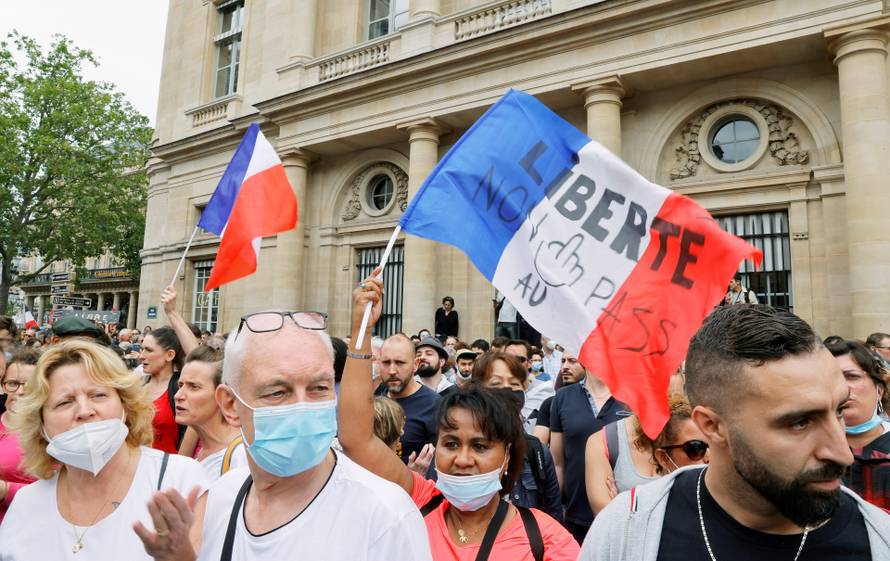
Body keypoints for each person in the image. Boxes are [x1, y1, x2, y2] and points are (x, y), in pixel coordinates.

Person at [580, 304, 890, 561]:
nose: (842, 453)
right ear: (712, 426)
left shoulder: (879, 541)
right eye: (799, 423)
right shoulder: (628, 532)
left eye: (838, 411)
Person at [137, 310, 432, 560]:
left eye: (319, 388)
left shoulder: (385, 515)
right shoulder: (221, 499)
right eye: (278, 392)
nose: (303, 407)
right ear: (230, 405)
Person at [339, 275, 579, 561]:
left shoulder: (546, 540)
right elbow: (356, 437)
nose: (463, 459)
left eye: (480, 446)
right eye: (451, 444)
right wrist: (361, 329)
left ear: (507, 456)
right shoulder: (419, 501)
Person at [0, 340, 208, 560]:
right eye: (64, 402)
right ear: (41, 425)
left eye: (98, 395)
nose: (84, 410)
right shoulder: (27, 503)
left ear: (125, 405)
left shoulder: (178, 480)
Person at [471, 351, 563, 523]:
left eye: (514, 384)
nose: (508, 390)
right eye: (497, 383)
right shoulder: (463, 449)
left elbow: (554, 519)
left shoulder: (537, 452)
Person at [550, 352, 631, 544]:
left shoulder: (632, 397)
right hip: (575, 515)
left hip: (624, 513)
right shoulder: (563, 398)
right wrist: (554, 512)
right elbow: (558, 462)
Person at [584, 394, 708, 515]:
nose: (707, 456)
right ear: (663, 458)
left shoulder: (698, 425)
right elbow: (606, 518)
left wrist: (625, 508)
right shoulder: (604, 441)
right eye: (695, 448)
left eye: (673, 373)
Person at [825, 338, 890, 509]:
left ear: (879, 390)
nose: (843, 388)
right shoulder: (808, 450)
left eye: (851, 376)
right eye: (832, 378)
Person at [173, 345, 247, 480]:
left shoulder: (241, 457)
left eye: (193, 387)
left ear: (224, 396)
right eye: (180, 385)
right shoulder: (205, 452)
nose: (178, 395)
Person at [380, 333, 441, 462]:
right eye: (386, 362)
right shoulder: (373, 401)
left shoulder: (435, 405)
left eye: (399, 363)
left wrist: (415, 478)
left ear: (415, 364)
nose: (392, 370)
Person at [0, 347, 40, 522]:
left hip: (21, 532)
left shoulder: (49, 432)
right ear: (3, 386)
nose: (21, 391)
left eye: (30, 385)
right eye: (13, 383)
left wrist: (5, 490)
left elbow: (60, 493)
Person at [140, 326, 186, 453]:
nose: (142, 356)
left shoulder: (180, 388)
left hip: (168, 468)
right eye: (142, 349)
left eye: (149, 350)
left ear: (169, 355)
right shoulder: (138, 386)